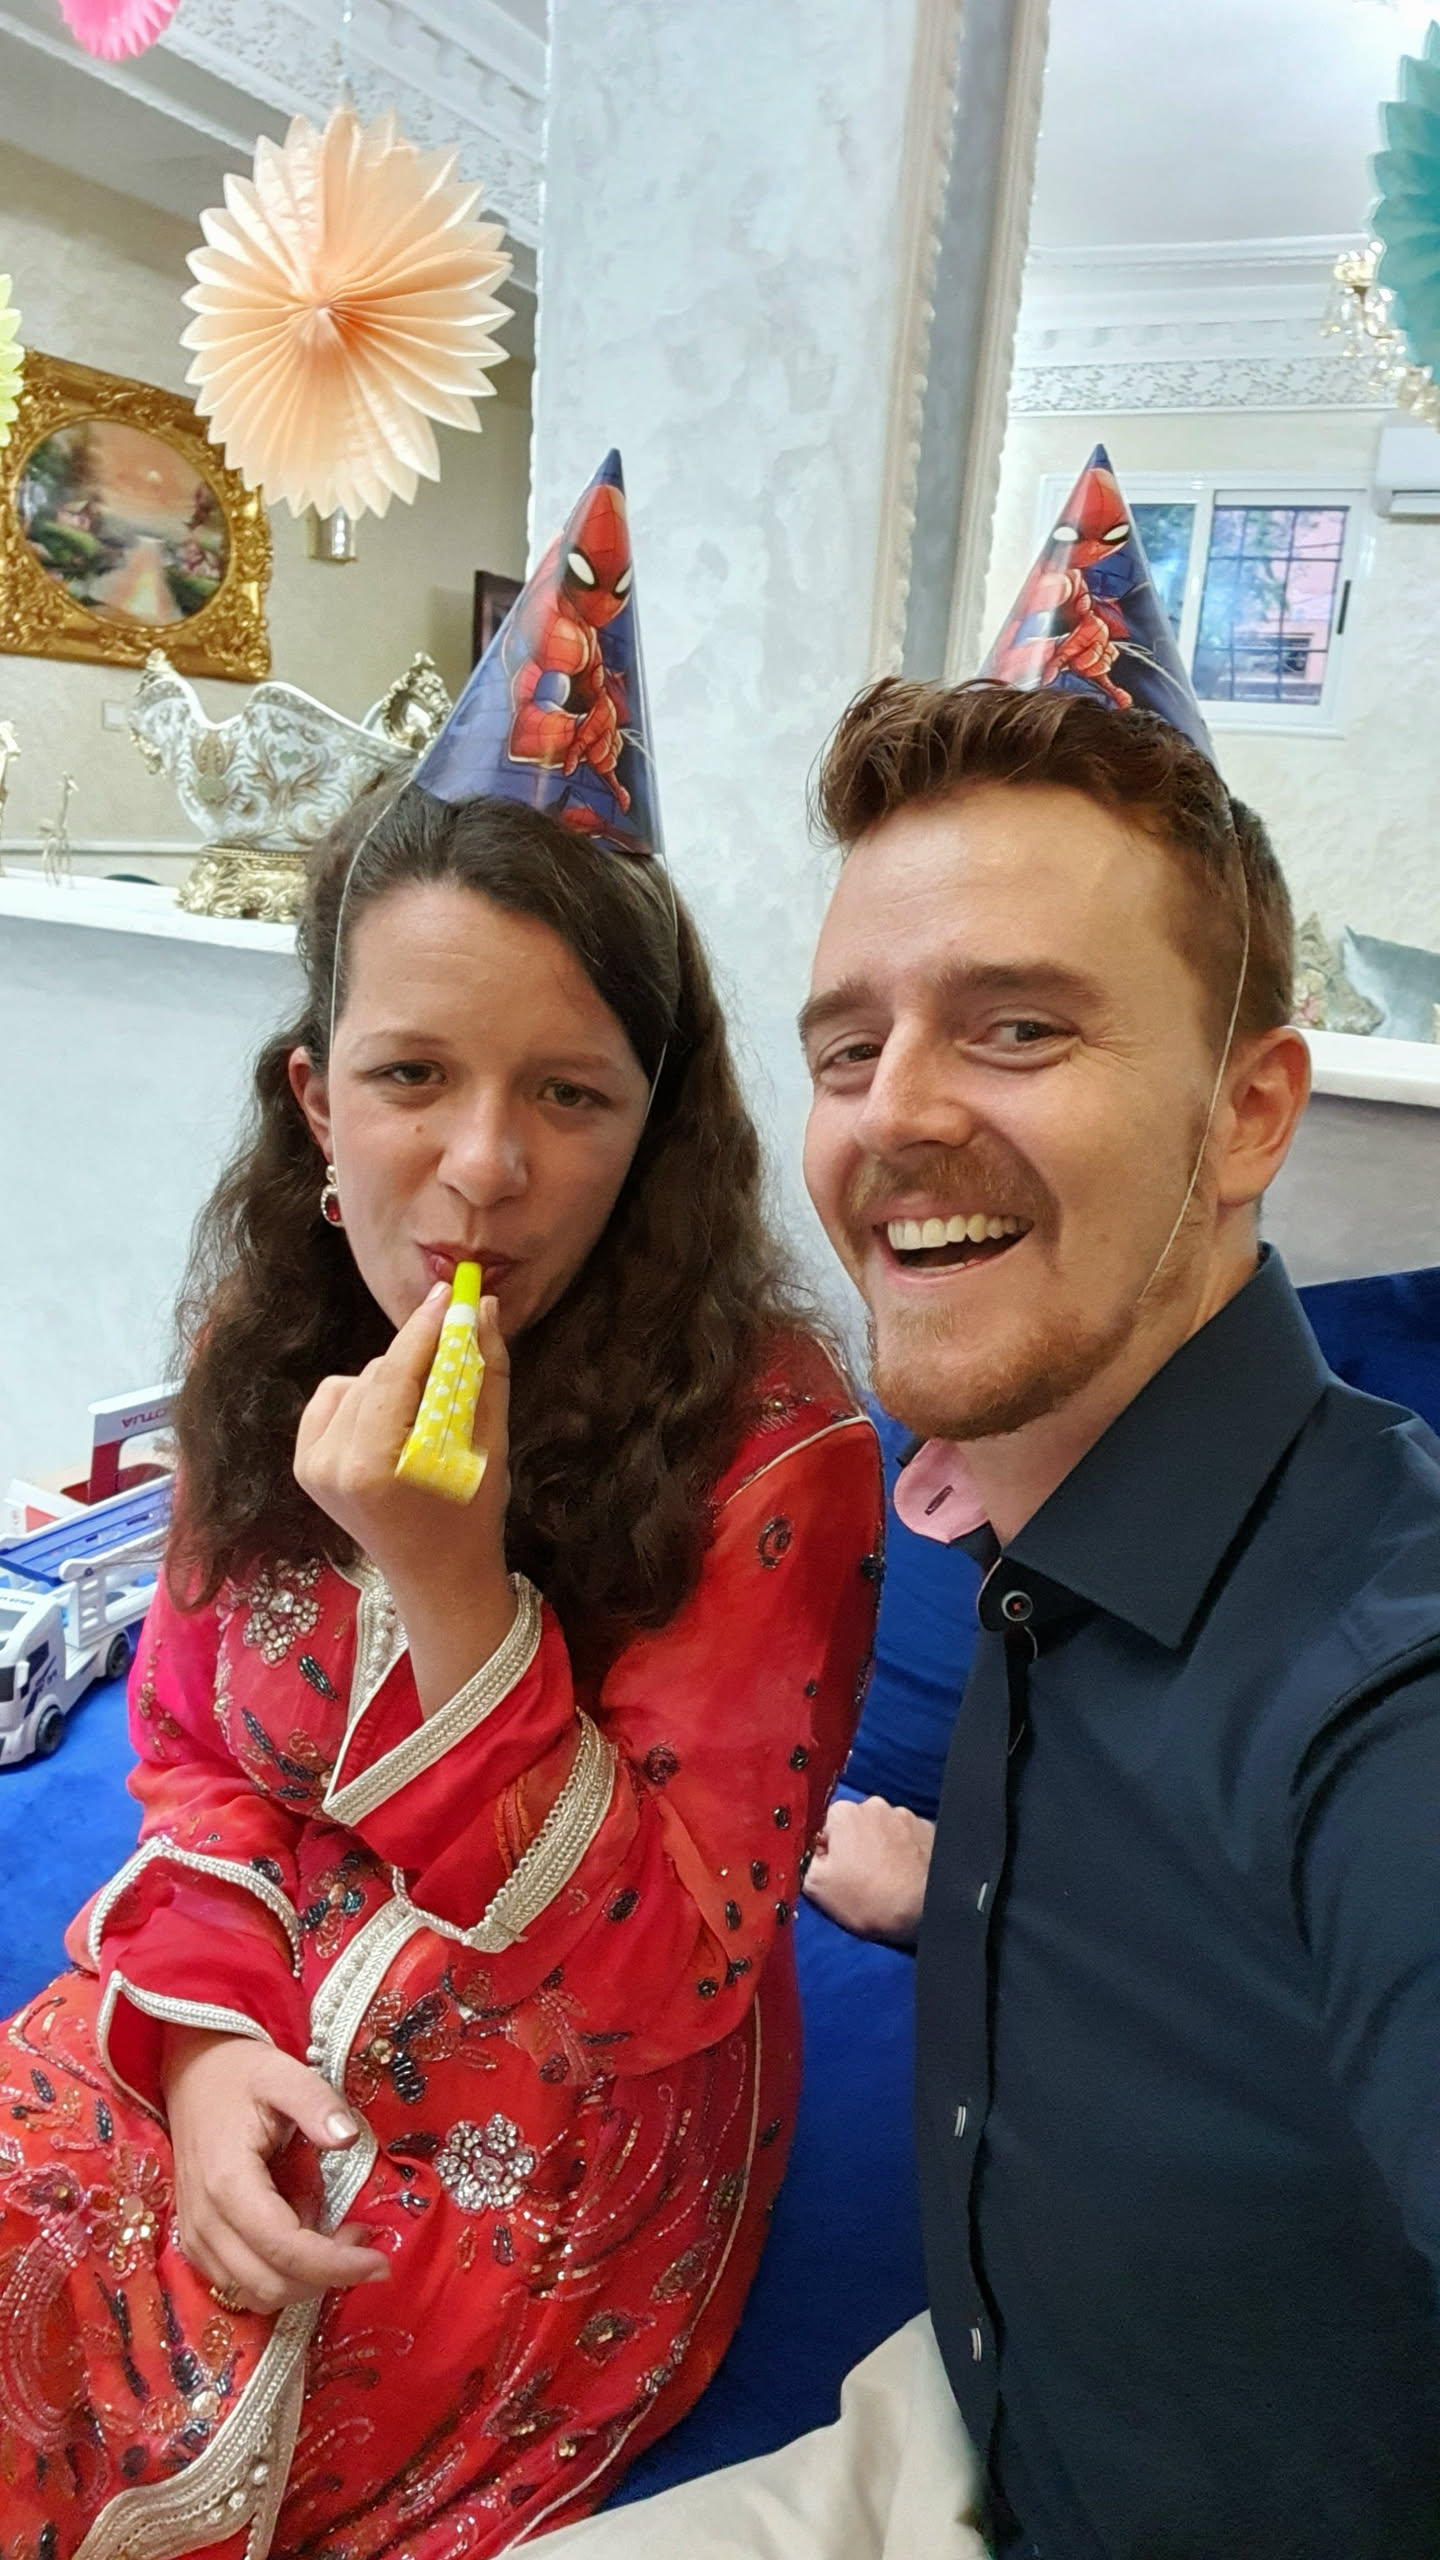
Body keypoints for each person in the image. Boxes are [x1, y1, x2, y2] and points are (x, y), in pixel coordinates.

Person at [0, 479, 882, 2556]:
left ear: (657, 1128)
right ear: (318, 1099)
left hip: (567, 2091)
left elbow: (669, 1974)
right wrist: (198, 2047)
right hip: (257, 1986)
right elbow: (198, 1753)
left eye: (570, 1094)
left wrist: (451, 1584)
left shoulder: (782, 1449)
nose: (481, 1170)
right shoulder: (270, 1335)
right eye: (412, 1077)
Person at [541, 667, 1440, 2560]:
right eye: (847, 1048)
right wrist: (959, 1891)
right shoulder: (1024, 1530)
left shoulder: (1388, 1695)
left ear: (1248, 1112)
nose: (895, 1114)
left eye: (1019, 1028)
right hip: (962, 2419)